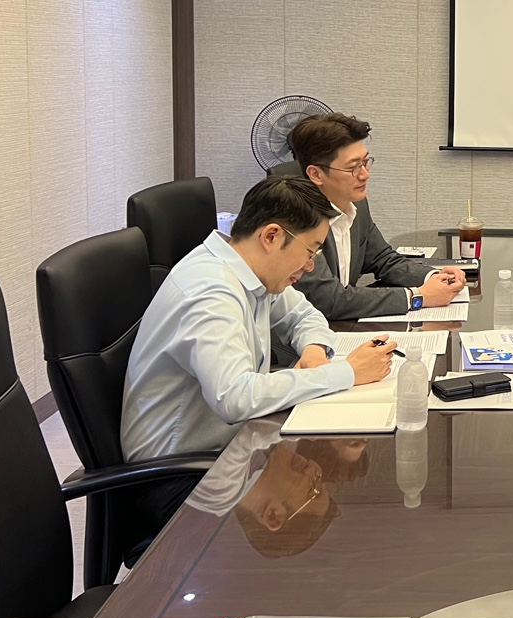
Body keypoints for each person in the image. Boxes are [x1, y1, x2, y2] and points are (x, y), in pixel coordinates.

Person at [122, 175, 397, 463]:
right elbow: (235, 397)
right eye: (309, 251)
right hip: (181, 467)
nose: (310, 266)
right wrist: (347, 372)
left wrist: (314, 352)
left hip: (234, 442)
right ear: (271, 236)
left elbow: (303, 315)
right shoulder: (210, 293)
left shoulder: (251, 269)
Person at [283, 112, 466, 320]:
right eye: (353, 168)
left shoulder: (356, 203)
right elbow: (329, 300)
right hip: (306, 334)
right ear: (316, 174)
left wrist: (434, 276)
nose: (365, 174)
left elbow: (383, 259)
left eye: (365, 162)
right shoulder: (296, 219)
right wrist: (417, 297)